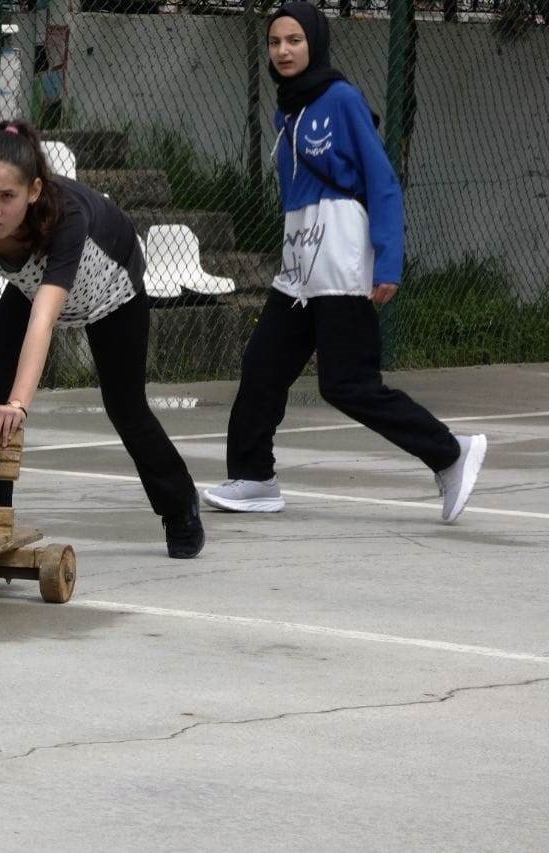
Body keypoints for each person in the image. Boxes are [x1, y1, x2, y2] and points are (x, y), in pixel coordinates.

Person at [201, 1, 485, 522]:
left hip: (343, 260)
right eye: (275, 42)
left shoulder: (342, 99)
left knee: (347, 383)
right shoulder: (287, 110)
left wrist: (388, 263)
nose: (283, 51)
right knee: (262, 366)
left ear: (316, 43)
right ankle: (255, 477)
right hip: (301, 266)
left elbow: (382, 182)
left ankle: (450, 453)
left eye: (294, 40)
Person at [0, 119, 205, 559]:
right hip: (31, 287)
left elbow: (43, 321)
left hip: (112, 294)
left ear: (34, 191)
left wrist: (20, 404)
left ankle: (179, 508)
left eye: (8, 197)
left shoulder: (66, 219)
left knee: (126, 408)